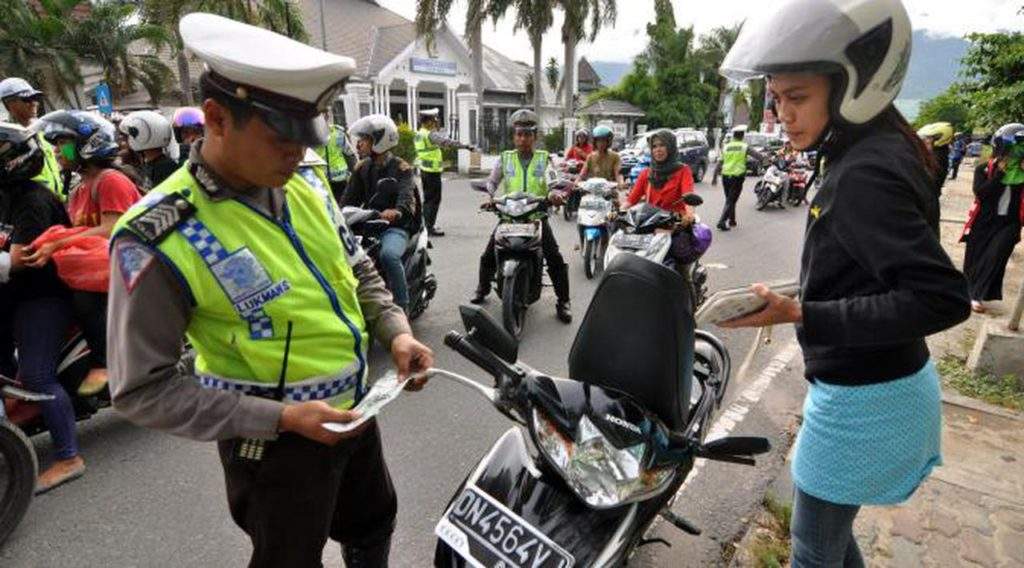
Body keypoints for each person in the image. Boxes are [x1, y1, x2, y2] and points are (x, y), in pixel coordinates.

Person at [105, 14, 433, 567]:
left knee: (374, 522)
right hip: (275, 447)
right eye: (281, 137)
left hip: (356, 412)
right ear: (215, 118)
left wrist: (396, 332)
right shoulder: (157, 236)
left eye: (306, 138)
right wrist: (280, 418)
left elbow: (357, 269)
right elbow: (142, 391)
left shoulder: (304, 184)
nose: (296, 154)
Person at [718, 1, 971, 566]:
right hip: (868, 383)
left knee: (812, 550)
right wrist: (805, 298)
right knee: (828, 542)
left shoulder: (865, 173)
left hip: (868, 398)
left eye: (798, 97)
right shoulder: (868, 148)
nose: (781, 113)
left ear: (854, 84)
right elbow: (865, 266)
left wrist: (804, 314)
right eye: (777, 98)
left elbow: (941, 298)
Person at [29, 110, 141, 397]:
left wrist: (58, 244)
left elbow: (112, 229)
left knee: (84, 299)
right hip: (102, 267)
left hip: (130, 263)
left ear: (87, 145)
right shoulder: (79, 190)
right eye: (54, 144)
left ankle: (108, 363)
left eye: (63, 143)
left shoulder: (109, 180)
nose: (56, 150)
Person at [0, 122, 84, 493]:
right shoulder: (5, 195)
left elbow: (20, 259)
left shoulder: (32, 200)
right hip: (12, 296)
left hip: (41, 296)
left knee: (36, 376)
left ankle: (68, 456)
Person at [472, 108, 572, 323]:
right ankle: (482, 288)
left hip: (536, 216)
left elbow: (553, 181)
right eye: (519, 134)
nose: (522, 138)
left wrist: (554, 194)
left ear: (535, 137)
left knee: (554, 257)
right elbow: (492, 181)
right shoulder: (504, 158)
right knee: (489, 254)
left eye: (527, 134)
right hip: (509, 217)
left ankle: (563, 300)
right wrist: (490, 195)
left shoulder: (545, 158)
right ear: (514, 136)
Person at [341, 114, 419, 312]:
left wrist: (397, 211)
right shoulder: (362, 168)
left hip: (394, 227)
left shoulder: (402, 168)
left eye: (365, 139)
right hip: (369, 223)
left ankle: (403, 308)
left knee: (389, 256)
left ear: (380, 141)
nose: (359, 144)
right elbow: (347, 200)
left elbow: (407, 197)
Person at [961, 123, 1024, 313]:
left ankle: (977, 294)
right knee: (976, 256)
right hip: (983, 221)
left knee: (996, 256)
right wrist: (998, 175)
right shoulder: (984, 170)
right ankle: (969, 292)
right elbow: (981, 193)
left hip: (1010, 223)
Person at [0, 77, 64, 198]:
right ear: (9, 105)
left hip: (55, 204)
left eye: (35, 98)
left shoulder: (43, 131)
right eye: (27, 99)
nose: (34, 103)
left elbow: (63, 161)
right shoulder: (6, 142)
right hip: (28, 205)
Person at [415, 107, 473, 237]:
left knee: (428, 199)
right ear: (428, 121)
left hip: (425, 169)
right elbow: (446, 142)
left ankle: (424, 225)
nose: (435, 122)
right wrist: (465, 146)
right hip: (432, 171)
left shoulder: (419, 133)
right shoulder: (430, 134)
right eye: (433, 120)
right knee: (434, 199)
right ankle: (429, 227)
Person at [119, 110, 180, 191]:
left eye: (126, 137)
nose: (123, 142)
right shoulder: (151, 164)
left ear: (143, 136)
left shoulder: (165, 168)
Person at [717, 126, 749, 231]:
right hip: (737, 177)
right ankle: (722, 221)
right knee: (732, 200)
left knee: (729, 199)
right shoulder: (744, 146)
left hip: (725, 176)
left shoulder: (726, 146)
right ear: (742, 135)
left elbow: (720, 162)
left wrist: (714, 176)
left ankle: (732, 220)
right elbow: (758, 156)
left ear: (734, 135)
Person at [316, 121, 356, 203]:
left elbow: (349, 155)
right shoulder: (310, 134)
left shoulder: (338, 133)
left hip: (340, 180)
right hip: (321, 181)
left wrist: (356, 177)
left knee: (341, 208)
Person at [918, 121, 953, 201]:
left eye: (928, 138)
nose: (924, 141)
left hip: (926, 202)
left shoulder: (937, 159)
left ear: (939, 139)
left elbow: (925, 183)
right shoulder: (937, 154)